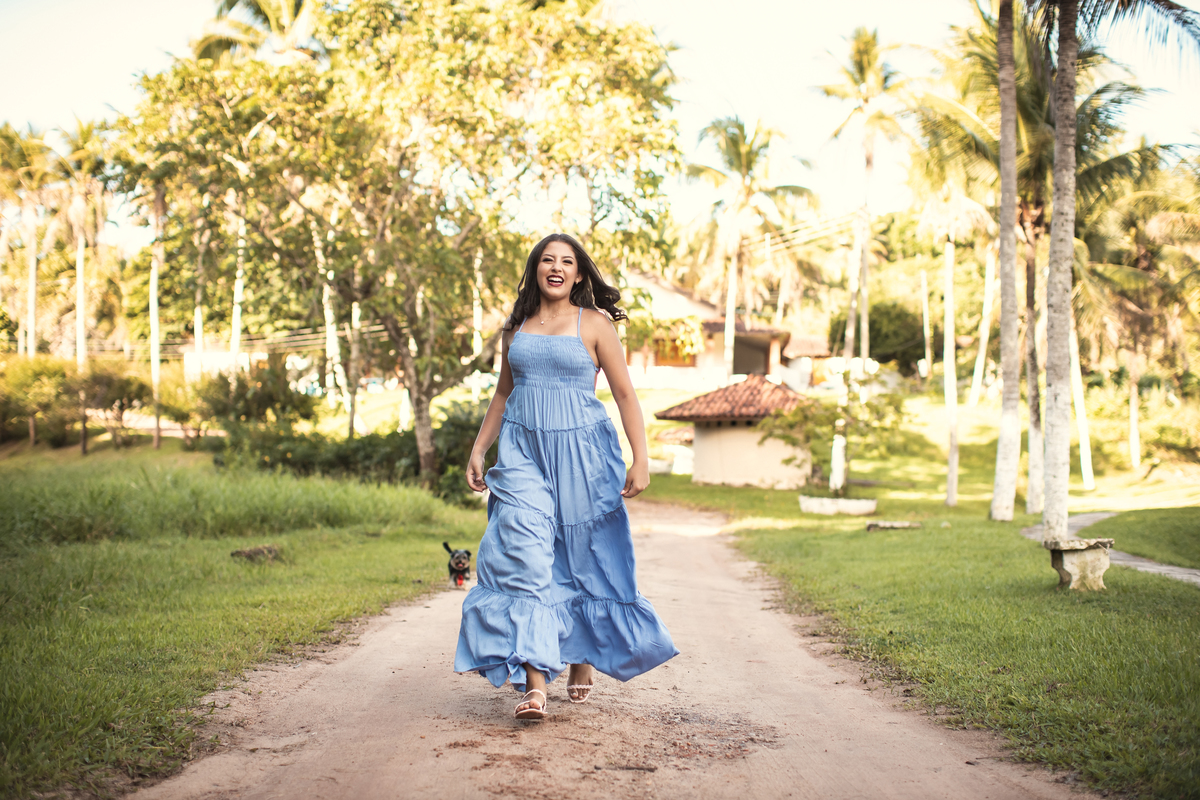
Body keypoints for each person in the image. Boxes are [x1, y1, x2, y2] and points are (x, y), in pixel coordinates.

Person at [454, 233, 678, 720]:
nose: (556, 267)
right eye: (548, 260)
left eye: (567, 261)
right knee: (524, 555)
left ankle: (582, 655)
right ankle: (535, 684)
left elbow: (623, 395)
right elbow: (501, 396)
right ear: (536, 269)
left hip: (582, 454)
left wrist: (641, 457)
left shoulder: (594, 324)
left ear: (579, 274)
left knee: (581, 559)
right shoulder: (517, 328)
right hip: (523, 453)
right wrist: (479, 449)